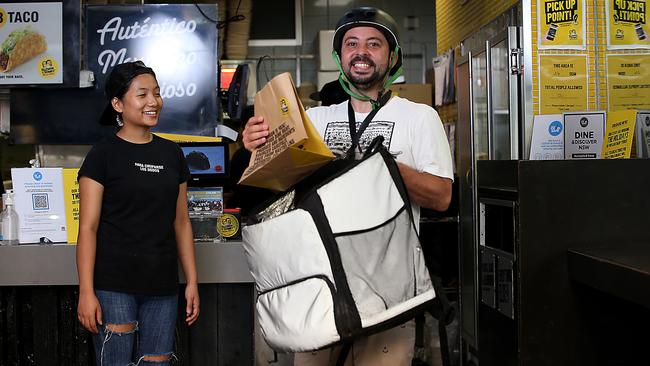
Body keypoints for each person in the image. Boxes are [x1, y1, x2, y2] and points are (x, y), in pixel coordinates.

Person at [242, 6, 453, 366]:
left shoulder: (419, 118)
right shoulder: (314, 119)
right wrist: (256, 148)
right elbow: (275, 187)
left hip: (389, 291)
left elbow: (441, 197)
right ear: (340, 56)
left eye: (374, 44)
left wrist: (379, 167)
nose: (362, 52)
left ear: (392, 56)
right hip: (318, 287)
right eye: (351, 43)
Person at [76, 61, 200, 366]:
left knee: (157, 363)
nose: (153, 102)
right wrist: (86, 292)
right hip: (113, 285)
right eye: (142, 94)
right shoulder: (102, 155)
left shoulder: (172, 154)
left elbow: (181, 223)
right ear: (118, 104)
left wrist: (193, 281)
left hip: (162, 285)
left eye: (156, 93)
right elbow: (88, 228)